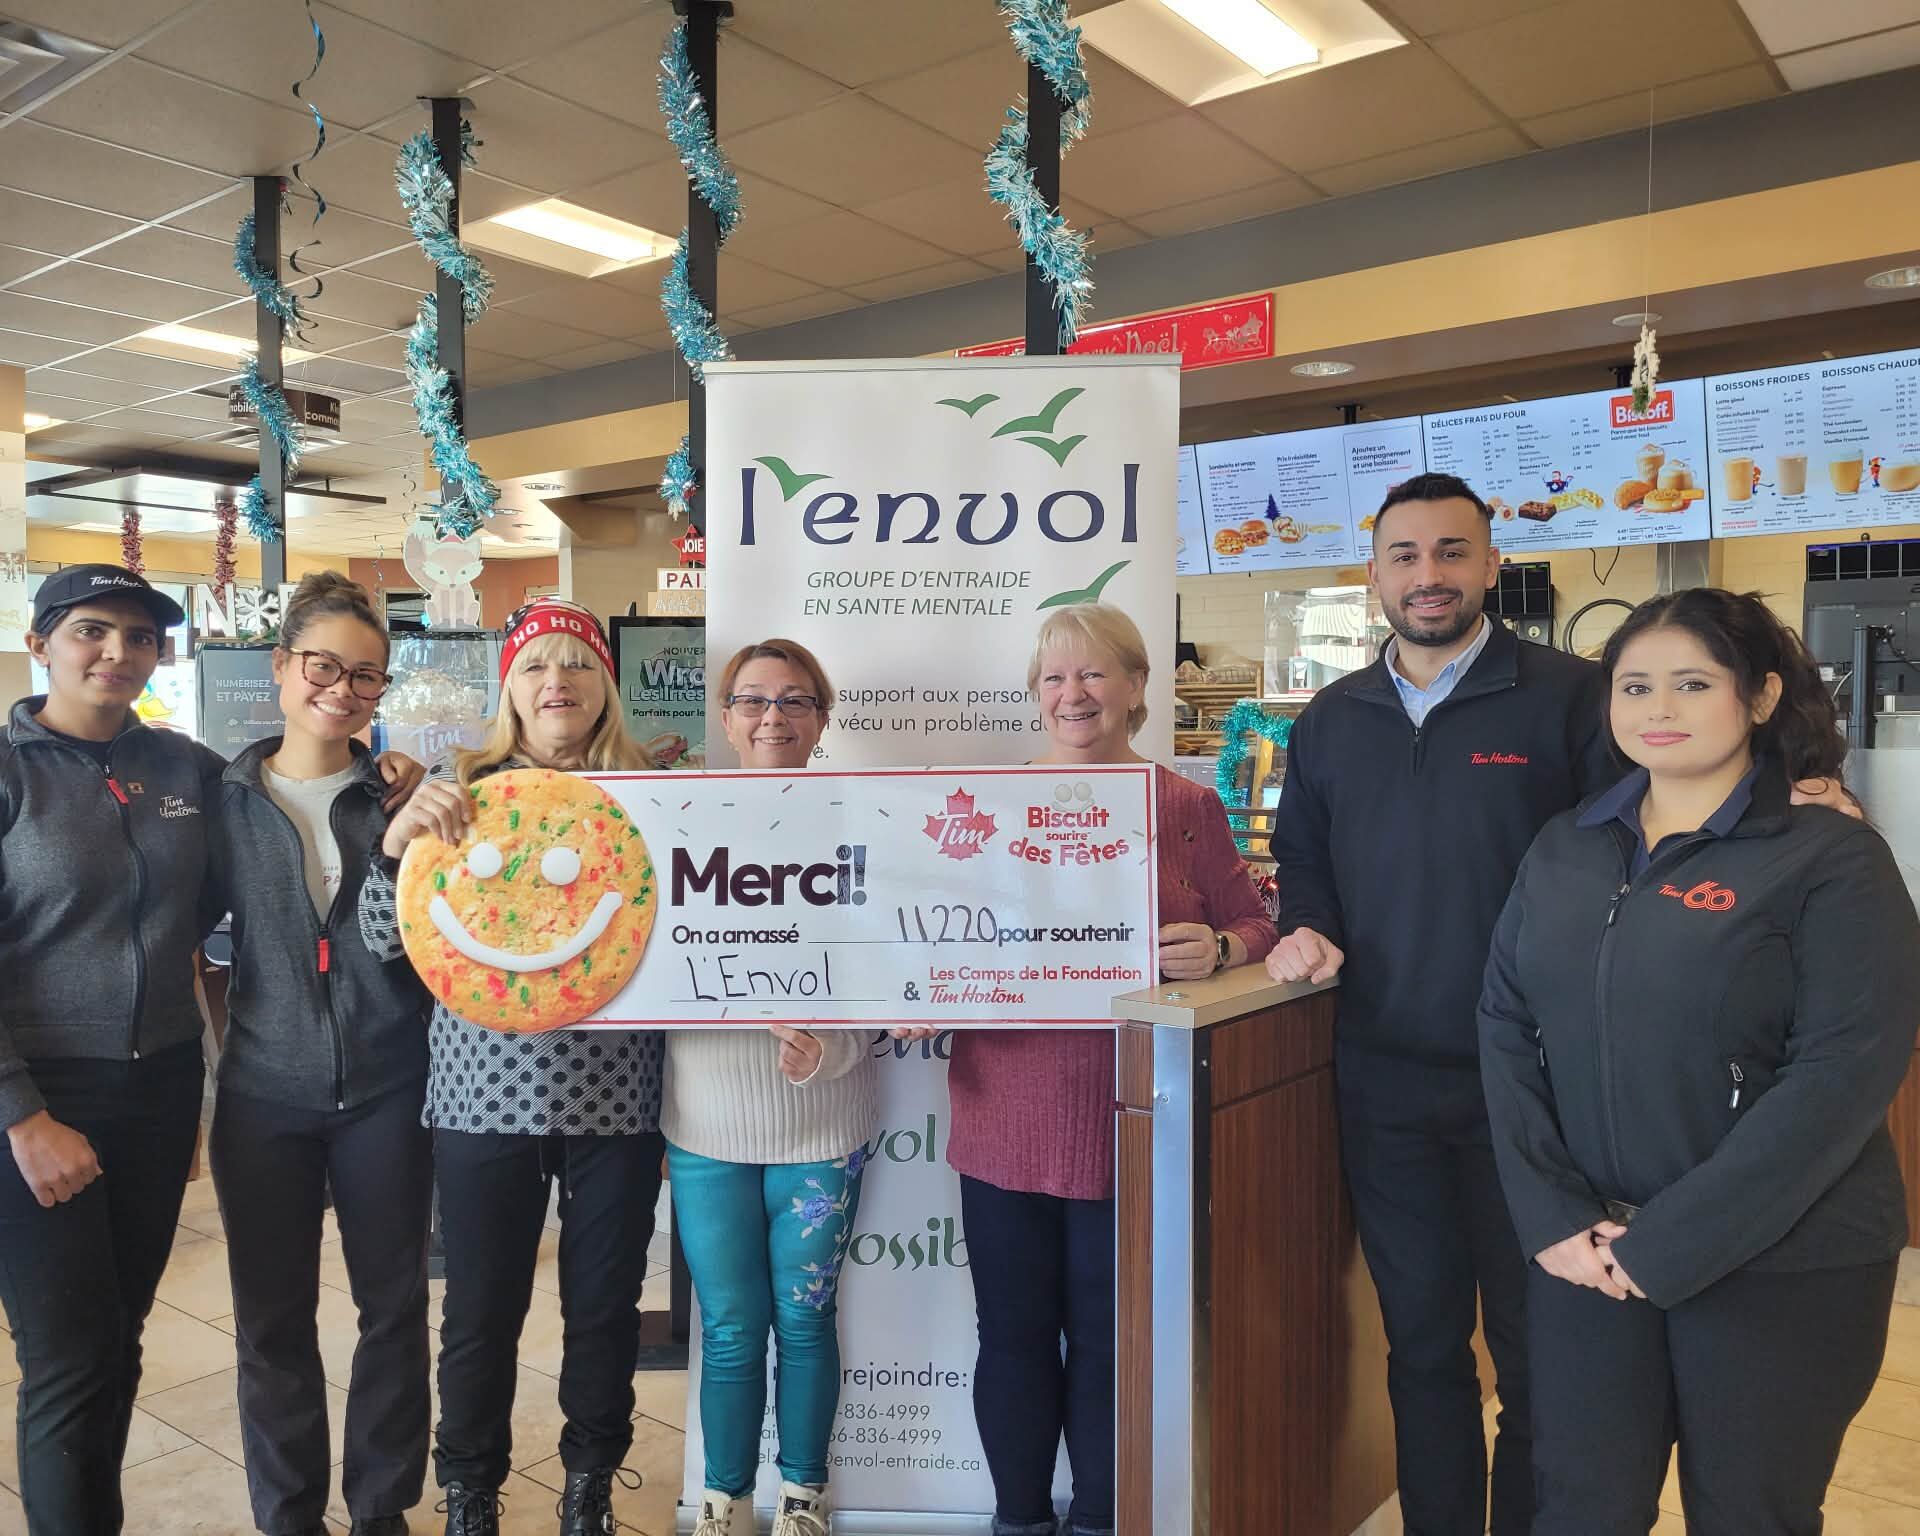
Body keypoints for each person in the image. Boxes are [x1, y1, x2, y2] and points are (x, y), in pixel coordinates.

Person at [1265, 474, 1859, 1536]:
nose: (1428, 575)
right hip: (1385, 1078)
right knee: (1424, 1348)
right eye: (1404, 555)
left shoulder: (1574, 695)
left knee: (1552, 1366)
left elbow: (1665, 806)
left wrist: (1794, 790)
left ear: (1495, 565)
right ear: (1373, 577)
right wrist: (1300, 924)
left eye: (1452, 552)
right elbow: (1301, 854)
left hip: (1547, 1095)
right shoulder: (1330, 720)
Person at [1478, 587, 1918, 1535]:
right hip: (1586, 1259)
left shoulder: (1830, 859)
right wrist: (1552, 1217)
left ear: (1761, 697)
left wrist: (1667, 1247)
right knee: (1581, 1509)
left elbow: (1842, 1075)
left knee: (1750, 1513)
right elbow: (1506, 1025)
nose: (1657, 711)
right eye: (1634, 686)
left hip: (1781, 1262)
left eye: (1691, 683)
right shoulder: (1566, 847)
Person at [929, 602, 1275, 1536]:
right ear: (1034, 696)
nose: (1072, 694)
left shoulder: (1185, 805)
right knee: (1008, 1337)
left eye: (1093, 675)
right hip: (1001, 1115)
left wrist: (1219, 947)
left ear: (1134, 688)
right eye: (1054, 677)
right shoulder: (980, 808)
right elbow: (932, 940)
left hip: (1129, 1115)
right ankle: (1018, 1521)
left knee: (1110, 1343)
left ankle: (1098, 1520)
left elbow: (1257, 924)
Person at [363, 599, 663, 1536]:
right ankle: (470, 1492)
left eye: (576, 665)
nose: (556, 682)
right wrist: (397, 841)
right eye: (536, 667)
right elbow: (386, 937)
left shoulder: (650, 799)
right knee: (482, 1309)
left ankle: (589, 1488)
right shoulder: (463, 793)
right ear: (511, 690)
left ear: (603, 684)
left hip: (619, 1096)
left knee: (604, 1308)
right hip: (480, 1097)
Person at [209, 571, 432, 1536]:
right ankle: (288, 1515)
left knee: (392, 1314)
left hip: (388, 1087)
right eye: (324, 666)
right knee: (271, 1324)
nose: (342, 689)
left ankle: (380, 1511)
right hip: (262, 1092)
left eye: (367, 675)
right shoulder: (218, 800)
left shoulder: (402, 801)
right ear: (282, 667)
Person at [679, 639, 876, 1536]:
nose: (773, 717)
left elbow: (894, 965)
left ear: (822, 718)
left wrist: (829, 1050)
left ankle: (804, 1498)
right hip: (705, 1125)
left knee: (804, 1322)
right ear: (725, 717)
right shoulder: (677, 821)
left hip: (823, 1123)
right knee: (727, 1329)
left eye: (796, 700)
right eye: (753, 700)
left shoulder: (863, 822)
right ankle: (723, 1502)